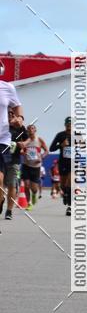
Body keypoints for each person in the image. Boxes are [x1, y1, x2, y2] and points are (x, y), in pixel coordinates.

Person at [0, 62, 24, 231]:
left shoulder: (7, 87)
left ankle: (3, 205)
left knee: (1, 180)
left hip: (1, 139)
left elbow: (17, 106)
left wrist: (19, 118)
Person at [2, 106, 27, 220]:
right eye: (8, 113)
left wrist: (23, 144)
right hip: (1, 159)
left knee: (12, 185)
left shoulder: (20, 127)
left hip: (14, 160)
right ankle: (1, 200)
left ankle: (9, 211)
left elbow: (28, 139)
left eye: (12, 113)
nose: (10, 115)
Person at [20, 123, 48, 210]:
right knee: (26, 185)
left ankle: (34, 195)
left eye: (32, 128)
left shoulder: (39, 140)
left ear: (35, 130)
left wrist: (42, 157)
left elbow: (47, 150)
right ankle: (29, 203)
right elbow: (21, 149)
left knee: (34, 188)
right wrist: (22, 152)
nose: (30, 130)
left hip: (36, 166)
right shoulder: (25, 140)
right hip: (26, 165)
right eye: (29, 129)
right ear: (27, 131)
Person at [50, 117, 72, 216]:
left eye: (71, 124)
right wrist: (61, 145)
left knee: (69, 184)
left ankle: (70, 207)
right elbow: (51, 148)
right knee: (63, 186)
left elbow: (84, 147)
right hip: (63, 162)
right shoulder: (60, 135)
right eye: (67, 124)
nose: (69, 126)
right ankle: (65, 195)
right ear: (65, 125)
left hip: (73, 163)